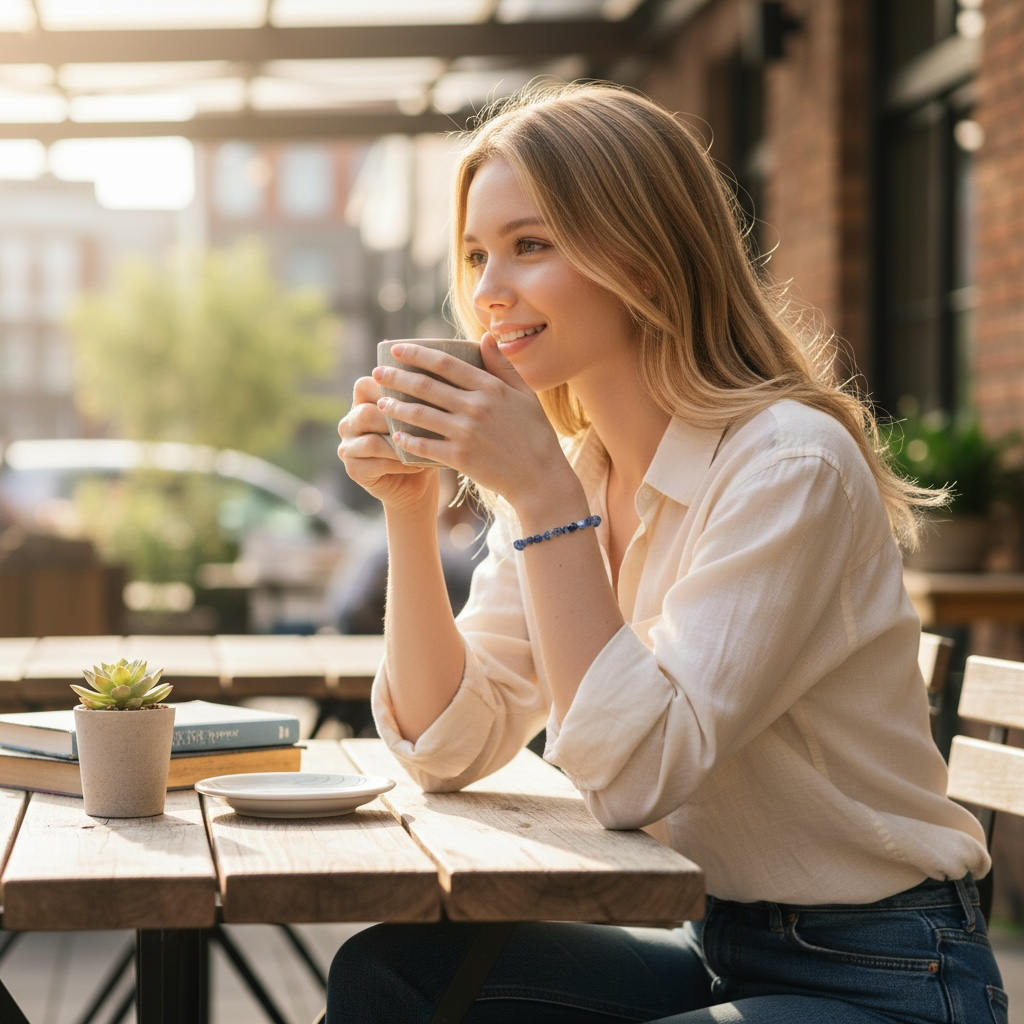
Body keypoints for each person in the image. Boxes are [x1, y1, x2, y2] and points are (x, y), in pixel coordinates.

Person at [330, 80, 1006, 1024]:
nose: (488, 292)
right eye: (478, 254)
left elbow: (637, 773)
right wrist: (409, 508)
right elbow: (446, 745)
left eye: (532, 245)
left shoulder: (788, 464)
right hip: (712, 942)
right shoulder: (580, 467)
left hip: (886, 974)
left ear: (646, 261)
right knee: (393, 974)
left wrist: (542, 499)